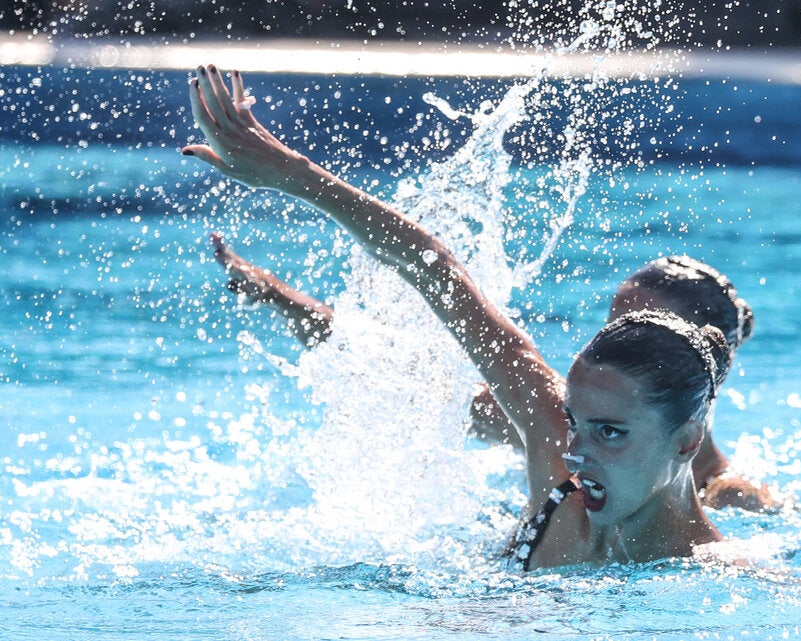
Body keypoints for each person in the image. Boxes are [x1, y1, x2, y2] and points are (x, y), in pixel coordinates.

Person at [183, 65, 728, 570]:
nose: (575, 453)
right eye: (575, 422)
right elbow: (433, 267)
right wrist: (292, 174)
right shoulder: (555, 452)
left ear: (686, 441)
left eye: (609, 432)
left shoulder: (720, 583)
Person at [211, 234, 781, 512]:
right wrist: (280, 298)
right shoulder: (566, 424)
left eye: (644, 326)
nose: (617, 340)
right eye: (615, 321)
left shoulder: (735, 499)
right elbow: (411, 379)